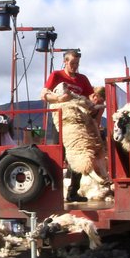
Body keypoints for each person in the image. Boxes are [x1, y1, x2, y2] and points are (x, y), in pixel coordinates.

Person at [40, 50, 93, 203]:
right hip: (61, 120)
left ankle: (73, 192)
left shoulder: (83, 79)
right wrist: (58, 98)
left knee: (79, 155)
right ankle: (51, 194)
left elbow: (89, 98)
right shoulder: (57, 75)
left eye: (77, 64)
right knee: (58, 155)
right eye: (72, 63)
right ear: (65, 62)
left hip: (77, 122)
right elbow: (44, 94)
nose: (75, 66)